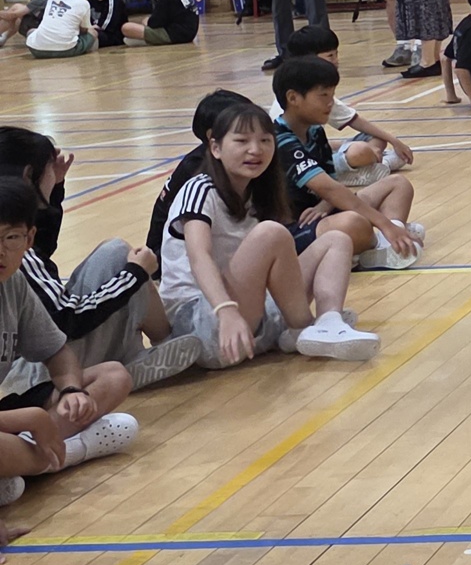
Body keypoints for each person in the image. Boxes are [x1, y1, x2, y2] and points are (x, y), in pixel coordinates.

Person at [157, 100, 379, 366]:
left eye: (265, 140)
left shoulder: (258, 192)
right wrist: (225, 311)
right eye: (241, 141)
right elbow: (198, 256)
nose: (255, 150)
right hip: (203, 320)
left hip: (247, 313)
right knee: (271, 233)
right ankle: (303, 327)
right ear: (215, 148)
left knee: (337, 240)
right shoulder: (200, 188)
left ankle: (328, 321)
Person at [0, 128, 200, 392]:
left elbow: (41, 250)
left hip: (26, 363)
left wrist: (55, 187)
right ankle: (138, 354)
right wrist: (134, 275)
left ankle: (141, 351)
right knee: (118, 256)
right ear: (28, 175)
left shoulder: (14, 236)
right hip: (33, 372)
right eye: (49, 167)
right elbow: (69, 319)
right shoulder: (13, 250)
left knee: (113, 256)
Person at [0, 179, 142, 505]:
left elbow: (57, 352)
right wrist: (32, 420)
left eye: (11, 237)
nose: (1, 251)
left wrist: (71, 390)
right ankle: (65, 453)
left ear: (29, 238)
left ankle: (21, 464)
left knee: (112, 376)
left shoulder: (14, 283)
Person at [273, 56, 424, 270]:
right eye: (323, 95)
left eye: (333, 95)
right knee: (354, 223)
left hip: (322, 212)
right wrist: (384, 223)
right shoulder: (280, 139)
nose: (330, 103)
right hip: (296, 228)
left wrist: (324, 204)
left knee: (399, 184)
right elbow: (328, 188)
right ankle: (386, 240)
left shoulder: (314, 131)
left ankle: (390, 243)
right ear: (293, 98)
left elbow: (331, 186)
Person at [279, 26, 415, 186]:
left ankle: (370, 162)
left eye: (337, 54)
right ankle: (376, 165)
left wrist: (394, 141)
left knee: (374, 138)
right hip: (300, 162)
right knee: (360, 151)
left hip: (317, 150)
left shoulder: (318, 105)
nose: (336, 60)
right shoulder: (301, 95)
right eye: (330, 56)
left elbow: (353, 120)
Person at [147, 91, 255, 254]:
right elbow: (200, 255)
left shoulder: (239, 162)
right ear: (212, 136)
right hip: (169, 256)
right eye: (242, 133)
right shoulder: (198, 173)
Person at [25, 0, 95, 59]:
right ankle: (91, 59)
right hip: (67, 50)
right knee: (93, 32)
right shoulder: (83, 3)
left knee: (31, 32)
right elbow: (85, 29)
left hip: (36, 50)